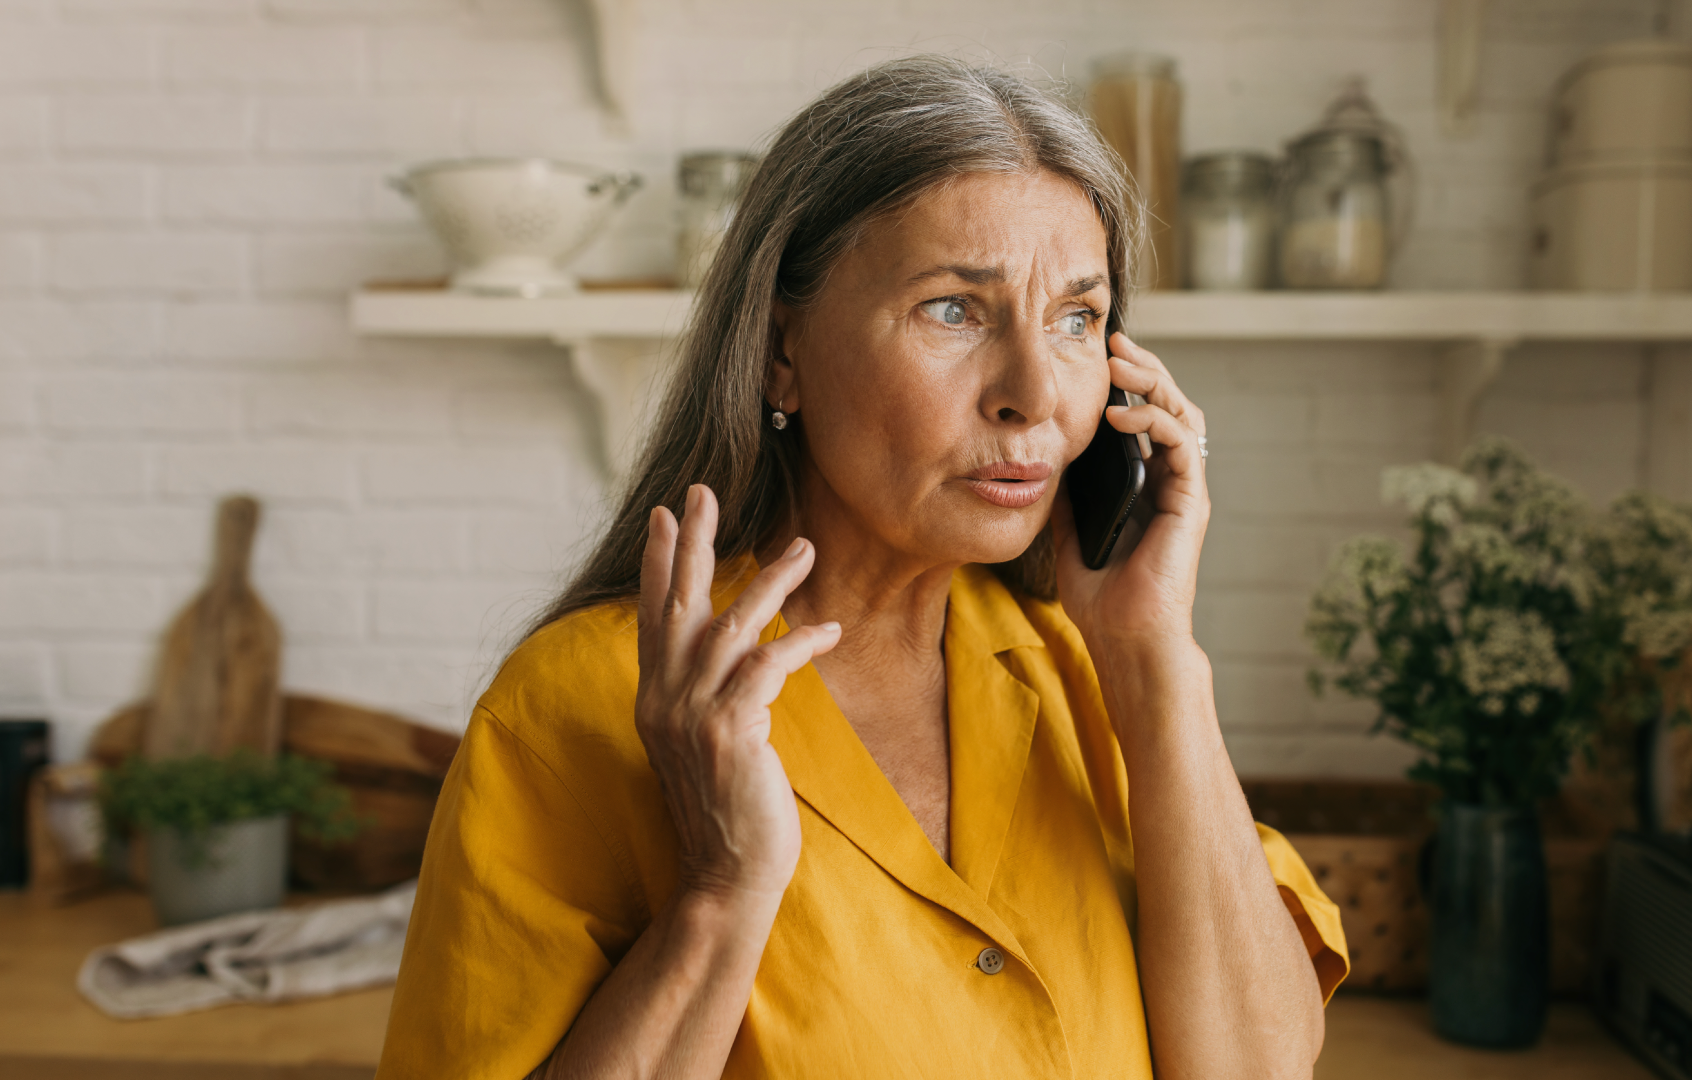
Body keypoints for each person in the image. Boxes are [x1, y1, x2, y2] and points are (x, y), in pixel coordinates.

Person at [378, 55, 1348, 1080]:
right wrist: (720, 891)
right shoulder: (578, 707)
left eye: (1076, 318)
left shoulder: (1098, 682)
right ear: (780, 348)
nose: (1033, 391)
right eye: (954, 310)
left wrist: (1155, 661)